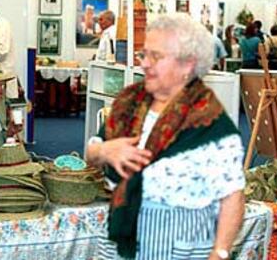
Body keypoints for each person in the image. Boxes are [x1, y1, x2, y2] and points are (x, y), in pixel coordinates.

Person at [87, 13, 245, 259]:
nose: (145, 64)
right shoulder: (130, 104)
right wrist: (104, 151)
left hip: (180, 246)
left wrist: (220, 252)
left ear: (187, 65)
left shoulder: (210, 124)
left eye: (156, 56)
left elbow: (232, 194)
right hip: (121, 240)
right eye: (144, 54)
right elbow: (91, 151)